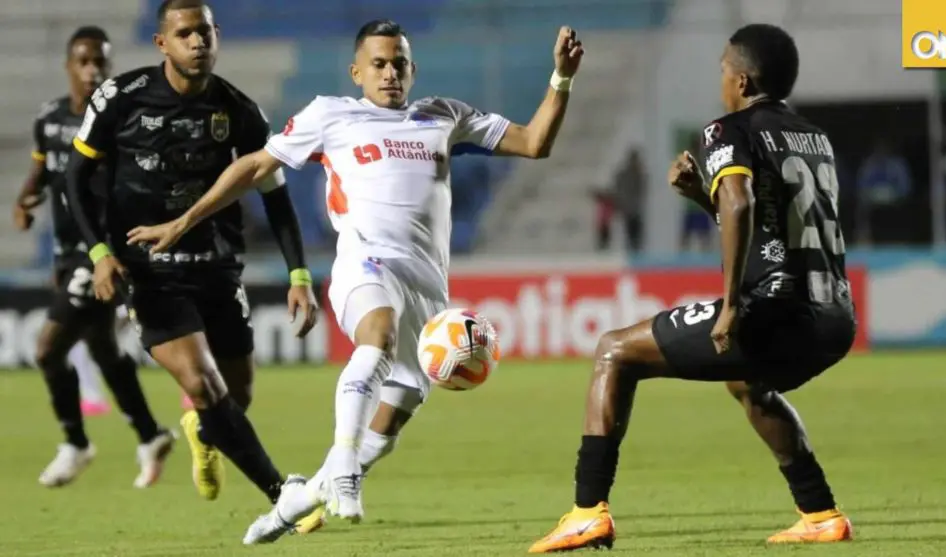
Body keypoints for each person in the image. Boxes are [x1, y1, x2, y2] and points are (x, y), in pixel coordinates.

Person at [126, 18, 584, 544]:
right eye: (379, 64)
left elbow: (534, 142)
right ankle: (341, 462)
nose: (390, 73)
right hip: (365, 264)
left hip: (429, 292)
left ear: (413, 70)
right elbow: (254, 166)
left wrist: (561, 79)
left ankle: (302, 496)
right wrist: (184, 221)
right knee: (379, 337)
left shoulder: (442, 115)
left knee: (389, 425)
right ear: (357, 72)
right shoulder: (331, 115)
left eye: (399, 64)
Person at [528, 23, 856, 553]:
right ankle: (819, 512)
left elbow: (742, 204)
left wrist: (730, 306)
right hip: (835, 317)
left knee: (614, 351)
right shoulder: (813, 138)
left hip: (775, 310)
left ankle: (587, 512)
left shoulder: (726, 130)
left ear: (743, 81)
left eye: (724, 69)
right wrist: (702, 197)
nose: (720, 78)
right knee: (748, 383)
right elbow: (770, 225)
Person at [64, 0, 319, 507]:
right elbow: (74, 178)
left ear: (217, 36)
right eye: (185, 34)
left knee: (235, 396)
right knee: (203, 384)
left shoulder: (241, 113)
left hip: (218, 267)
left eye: (205, 32)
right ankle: (281, 494)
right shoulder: (121, 99)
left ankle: (204, 436)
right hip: (149, 271)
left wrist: (299, 275)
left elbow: (276, 197)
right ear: (163, 43)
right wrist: (98, 253)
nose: (197, 42)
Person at [13, 26, 175, 489]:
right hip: (66, 253)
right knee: (103, 347)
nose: (92, 71)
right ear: (69, 66)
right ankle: (149, 433)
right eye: (83, 62)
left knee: (48, 350)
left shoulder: (119, 121)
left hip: (101, 251)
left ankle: (75, 443)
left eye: (100, 63)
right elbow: (43, 171)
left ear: (109, 66)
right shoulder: (49, 119)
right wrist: (24, 202)